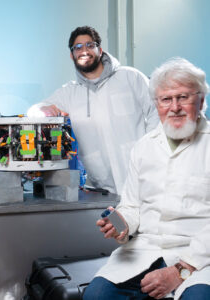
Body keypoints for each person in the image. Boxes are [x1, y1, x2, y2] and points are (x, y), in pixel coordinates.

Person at [83, 58, 210, 300]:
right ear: (157, 104)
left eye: (183, 97)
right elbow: (132, 206)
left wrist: (180, 271)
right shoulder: (144, 147)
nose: (175, 107)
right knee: (96, 296)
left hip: (199, 259)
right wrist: (121, 224)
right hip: (144, 252)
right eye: (166, 99)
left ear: (201, 101)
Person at [27, 26, 159, 195]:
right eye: (78, 47)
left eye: (90, 45)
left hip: (143, 178)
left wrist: (149, 151)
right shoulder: (70, 92)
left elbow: (156, 111)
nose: (84, 50)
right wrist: (44, 109)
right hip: (103, 187)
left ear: (100, 49)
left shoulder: (130, 77)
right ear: (72, 55)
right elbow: (34, 110)